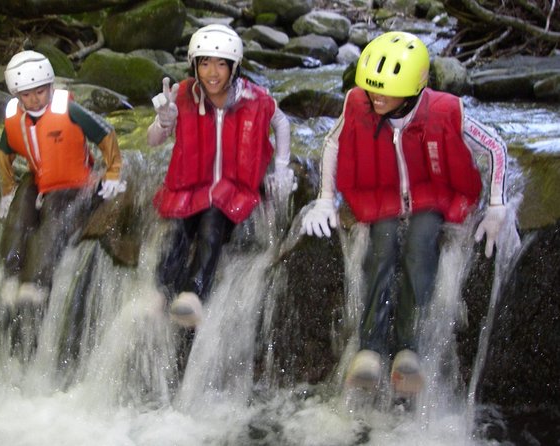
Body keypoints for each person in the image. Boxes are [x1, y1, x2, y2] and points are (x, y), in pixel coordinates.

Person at [301, 32, 512, 396]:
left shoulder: (447, 111)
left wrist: (497, 206)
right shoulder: (357, 103)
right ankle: (370, 346)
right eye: (371, 89)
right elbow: (332, 141)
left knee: (419, 249)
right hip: (379, 195)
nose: (376, 97)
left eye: (386, 90)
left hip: (432, 196)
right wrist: (325, 198)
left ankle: (407, 347)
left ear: (415, 88)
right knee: (380, 250)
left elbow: (494, 146)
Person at [147, 24, 294, 329]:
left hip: (232, 189)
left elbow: (281, 123)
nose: (212, 72)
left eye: (221, 64)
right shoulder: (181, 96)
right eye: (204, 63)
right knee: (178, 228)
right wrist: (164, 122)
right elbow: (152, 141)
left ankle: (192, 292)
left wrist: (281, 166)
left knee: (211, 225)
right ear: (194, 66)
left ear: (234, 67)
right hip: (192, 186)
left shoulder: (255, 98)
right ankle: (160, 292)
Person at [0, 50, 126, 306]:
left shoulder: (69, 110)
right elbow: (3, 152)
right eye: (26, 94)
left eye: (40, 91)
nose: (34, 99)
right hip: (39, 178)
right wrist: (7, 189)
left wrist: (113, 171)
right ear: (16, 95)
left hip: (74, 182)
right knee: (19, 215)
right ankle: (11, 273)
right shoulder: (15, 120)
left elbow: (105, 133)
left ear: (50, 87)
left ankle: (36, 282)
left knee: (53, 220)